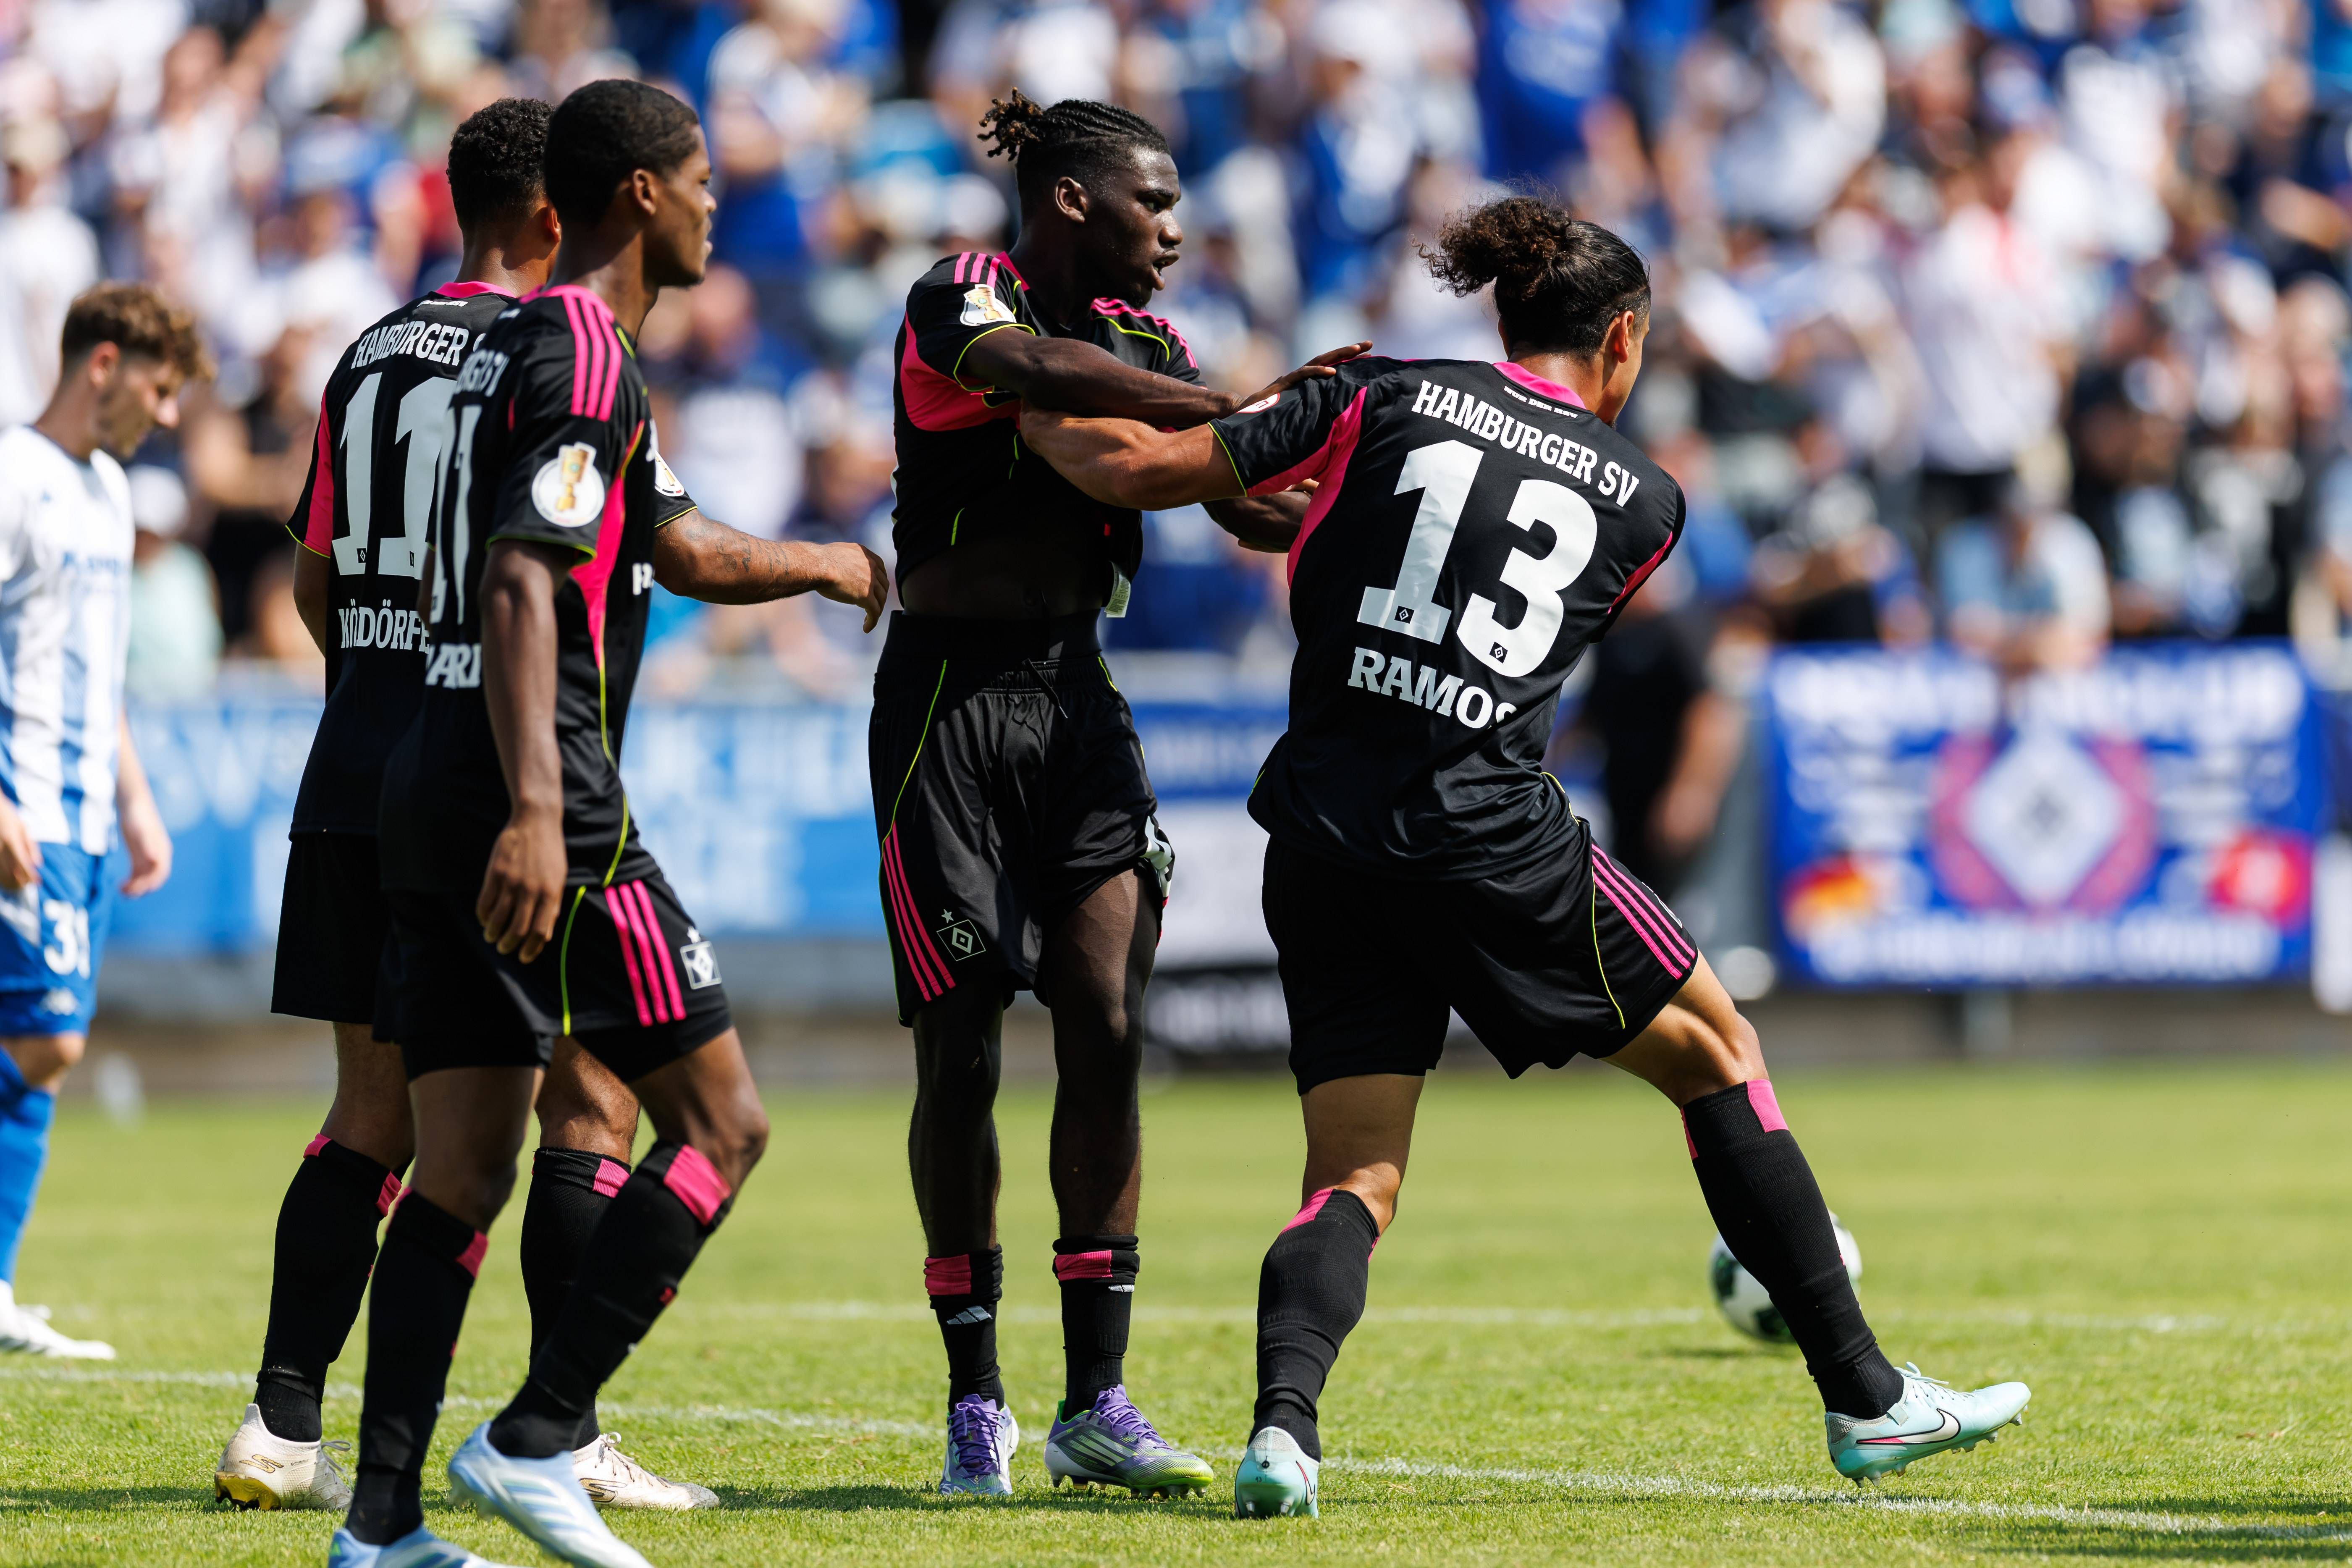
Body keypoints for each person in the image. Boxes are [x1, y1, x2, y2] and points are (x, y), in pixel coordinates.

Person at [1017, 196, 2033, 1520]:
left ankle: (1284, 1429)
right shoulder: (1647, 501)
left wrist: (1013, 400)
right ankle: (1866, 1393)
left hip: (1321, 835)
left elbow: (1142, 474)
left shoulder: (1375, 392)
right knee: (1721, 1053)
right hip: (1489, 832)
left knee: (1350, 1178)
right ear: (1622, 338)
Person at [337, 79, 886, 1568]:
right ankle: (537, 1433)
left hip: (425, 772)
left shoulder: (531, 350)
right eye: (702, 179)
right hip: (542, 793)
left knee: (462, 1168)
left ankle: (379, 1526)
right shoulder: (585, 350)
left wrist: (822, 563)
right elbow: (527, 576)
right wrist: (538, 804)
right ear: (642, 193)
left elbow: (666, 541)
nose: (718, 203)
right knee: (724, 1122)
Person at [213, 98, 714, 1517]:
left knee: (369, 1111)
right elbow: (659, 546)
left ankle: (279, 1423)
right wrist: (827, 562)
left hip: (354, 768)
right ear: (561, 211)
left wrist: (383, 683)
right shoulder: (557, 349)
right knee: (594, 1095)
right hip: (496, 776)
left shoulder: (368, 351)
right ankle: (565, 1430)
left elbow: (313, 579)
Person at [873, 88, 1338, 1497]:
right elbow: (1031, 373)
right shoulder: (964, 290)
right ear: (1074, 198)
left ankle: (1096, 1397)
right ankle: (974, 1395)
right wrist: (1235, 406)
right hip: (948, 707)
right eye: (1157, 202)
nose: (1176, 231)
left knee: (1113, 1022)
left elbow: (1237, 499)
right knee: (960, 1048)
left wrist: (1350, 488)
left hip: (1078, 696)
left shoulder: (1153, 344)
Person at [0, 283, 196, 1357]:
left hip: (81, 816)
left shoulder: (111, 490)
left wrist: (135, 798)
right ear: (104, 363)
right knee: (49, 1037)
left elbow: (98, 663)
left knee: (45, 1047)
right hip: (18, 802)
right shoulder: (14, 474)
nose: (166, 417)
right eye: (160, 392)